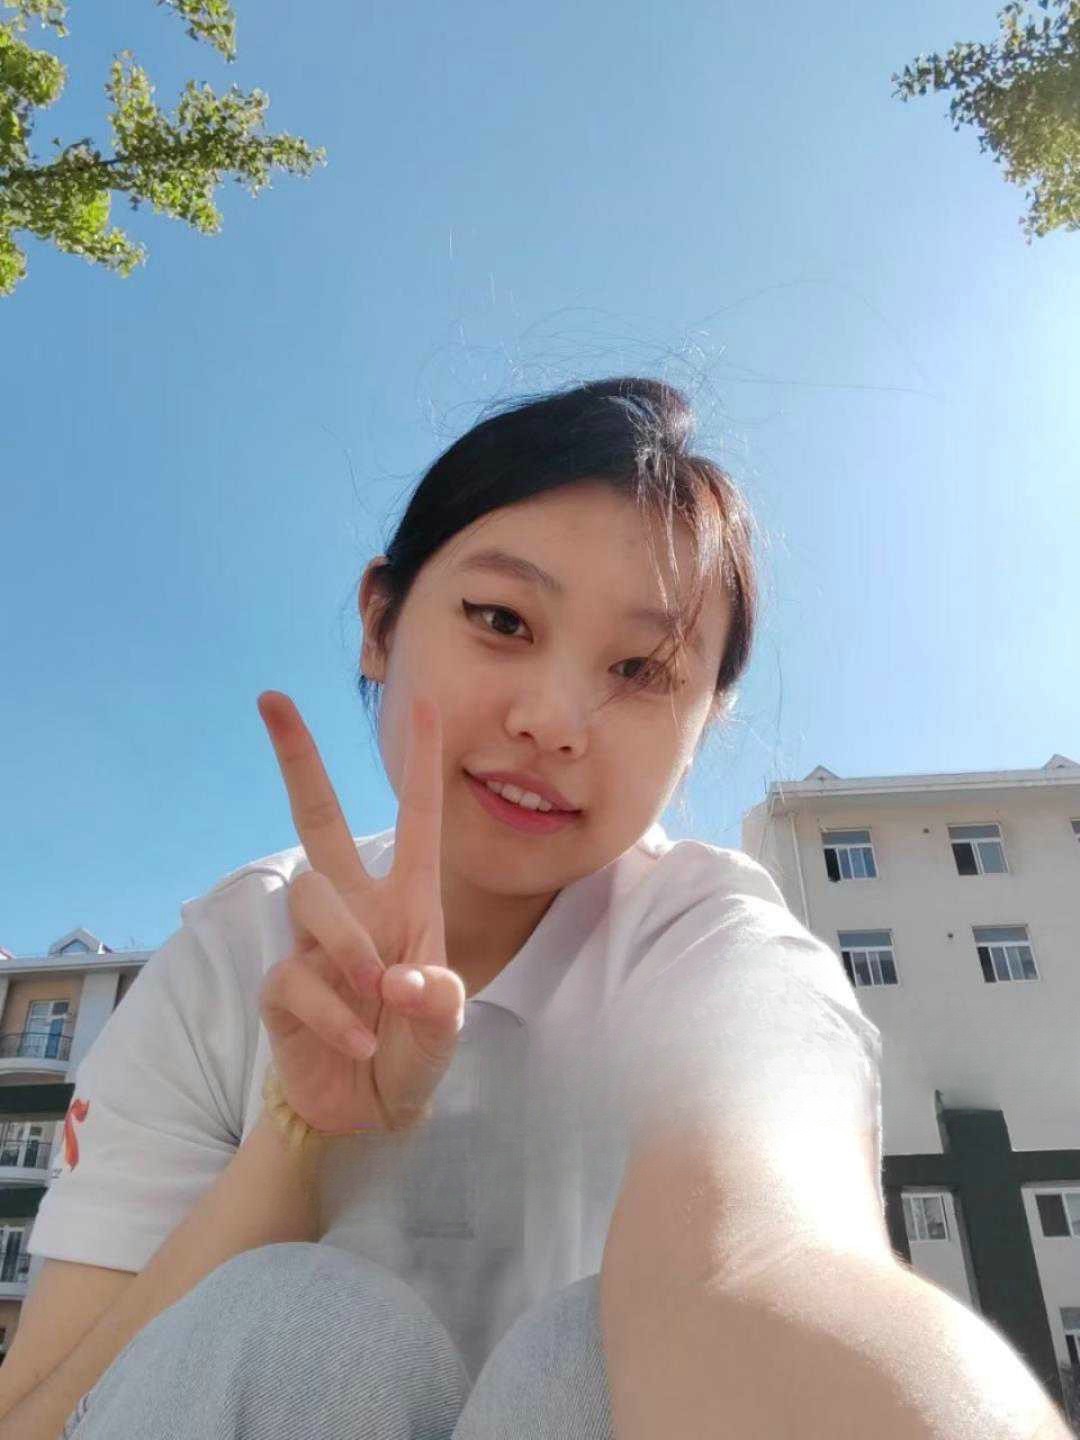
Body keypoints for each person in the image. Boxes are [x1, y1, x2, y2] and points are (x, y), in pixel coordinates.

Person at [22, 377, 885, 1439]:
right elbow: (42, 1414)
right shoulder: (230, 956)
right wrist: (298, 1139)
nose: (555, 721)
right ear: (380, 622)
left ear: (706, 722)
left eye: (643, 669)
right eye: (502, 620)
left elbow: (800, 1283)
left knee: (615, 1355)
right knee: (300, 1332)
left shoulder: (711, 949)